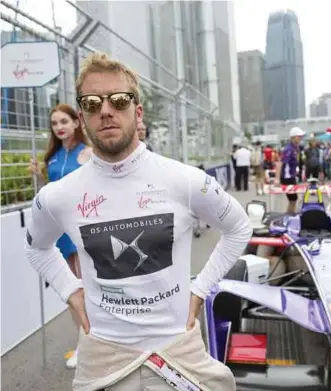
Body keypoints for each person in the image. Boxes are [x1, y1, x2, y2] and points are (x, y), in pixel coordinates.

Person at [24, 52, 252, 390]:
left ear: (137, 110)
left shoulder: (186, 180)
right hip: (103, 356)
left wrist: (200, 290)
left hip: (179, 351)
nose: (105, 110)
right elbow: (37, 247)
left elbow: (239, 227)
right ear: (83, 118)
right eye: (91, 103)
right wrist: (71, 290)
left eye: (119, 100)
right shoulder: (58, 195)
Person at [29, 103, 92, 369]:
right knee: (71, 289)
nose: (59, 127)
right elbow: (52, 193)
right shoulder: (53, 157)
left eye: (64, 121)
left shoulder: (87, 153)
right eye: (55, 123)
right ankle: (85, 341)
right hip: (59, 231)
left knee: (88, 286)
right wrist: (40, 177)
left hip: (82, 228)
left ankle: (94, 342)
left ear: (77, 122)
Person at [275, 127, 305, 214]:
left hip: (291, 176)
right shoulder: (288, 149)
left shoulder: (296, 148)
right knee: (293, 199)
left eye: (301, 136)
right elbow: (280, 163)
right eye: (298, 136)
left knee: (293, 200)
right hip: (287, 178)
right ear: (293, 137)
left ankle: (290, 217)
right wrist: (277, 179)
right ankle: (289, 218)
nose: (300, 138)